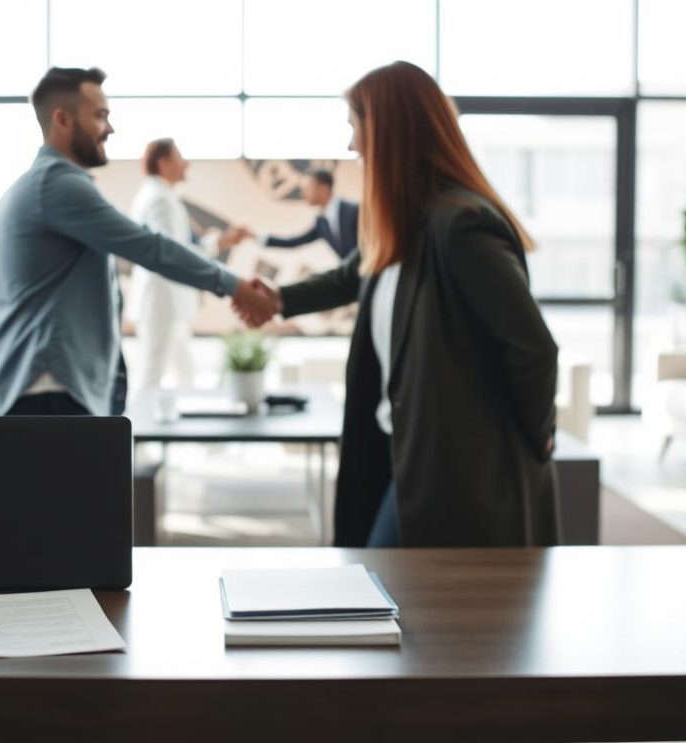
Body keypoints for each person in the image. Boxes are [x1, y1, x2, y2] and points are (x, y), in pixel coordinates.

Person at [234, 61, 560, 548]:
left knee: (400, 593)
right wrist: (279, 299)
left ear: (388, 130)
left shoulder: (462, 226)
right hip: (400, 453)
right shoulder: (404, 219)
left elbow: (533, 347)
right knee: (387, 591)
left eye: (355, 126)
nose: (351, 145)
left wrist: (536, 439)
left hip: (458, 470)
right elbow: (352, 274)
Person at [0, 67, 274, 417]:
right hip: (49, 391)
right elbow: (152, 247)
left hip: (32, 389)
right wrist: (236, 287)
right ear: (62, 120)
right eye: (100, 116)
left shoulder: (34, 189)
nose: (110, 128)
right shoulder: (58, 187)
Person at [128, 138, 245, 390]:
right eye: (180, 158)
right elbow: (171, 252)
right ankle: (135, 428)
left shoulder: (162, 195)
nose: (186, 164)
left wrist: (219, 243)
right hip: (162, 298)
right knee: (152, 372)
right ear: (163, 163)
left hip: (168, 299)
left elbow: (178, 246)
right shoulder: (158, 198)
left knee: (184, 371)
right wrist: (219, 248)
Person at [244, 169, 358, 259]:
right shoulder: (321, 223)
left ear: (323, 188)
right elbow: (292, 242)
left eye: (308, 188)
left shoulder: (355, 210)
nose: (303, 193)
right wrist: (255, 236)